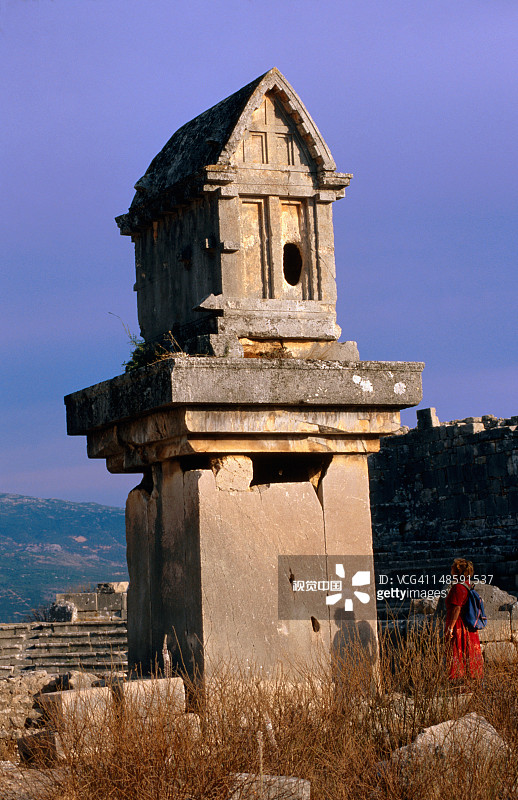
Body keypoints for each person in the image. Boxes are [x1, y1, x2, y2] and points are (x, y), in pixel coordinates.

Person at [444, 558, 484, 683]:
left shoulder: (458, 588)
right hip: (467, 626)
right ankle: (470, 681)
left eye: (452, 567)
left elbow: (456, 609)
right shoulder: (467, 585)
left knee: (458, 651)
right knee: (469, 652)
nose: (450, 568)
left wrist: (450, 628)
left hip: (459, 625)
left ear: (457, 571)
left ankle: (460, 682)